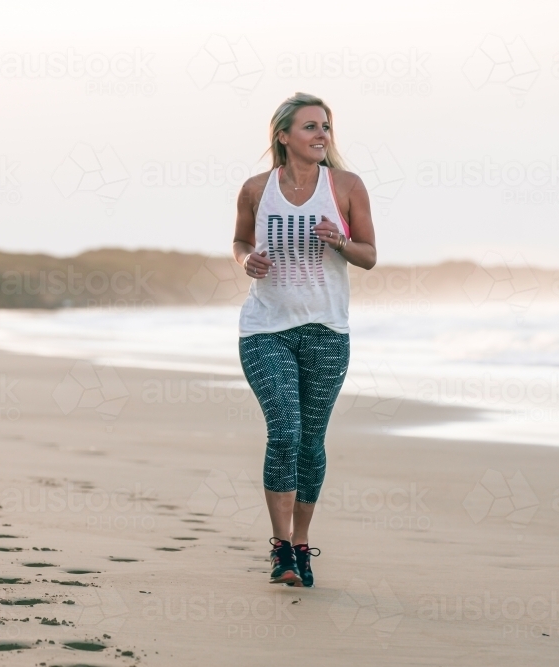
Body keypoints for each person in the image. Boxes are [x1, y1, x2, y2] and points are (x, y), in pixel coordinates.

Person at [233, 92, 377, 587]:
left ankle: (301, 544)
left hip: (327, 332)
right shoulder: (256, 189)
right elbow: (240, 241)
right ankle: (280, 550)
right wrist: (244, 259)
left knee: (311, 443)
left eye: (326, 127)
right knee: (286, 433)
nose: (322, 135)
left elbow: (370, 256)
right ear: (283, 135)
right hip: (265, 329)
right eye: (311, 127)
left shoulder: (346, 187)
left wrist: (339, 240)